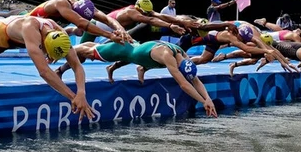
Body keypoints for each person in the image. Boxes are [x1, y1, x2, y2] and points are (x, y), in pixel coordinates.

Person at [70, 40, 217, 117]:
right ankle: (67, 48)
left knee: (98, 47)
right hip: (126, 50)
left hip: (140, 52)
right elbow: (184, 84)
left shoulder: (183, 56)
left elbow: (194, 80)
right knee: (89, 51)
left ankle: (141, 68)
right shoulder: (168, 57)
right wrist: (203, 101)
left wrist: (208, 98)